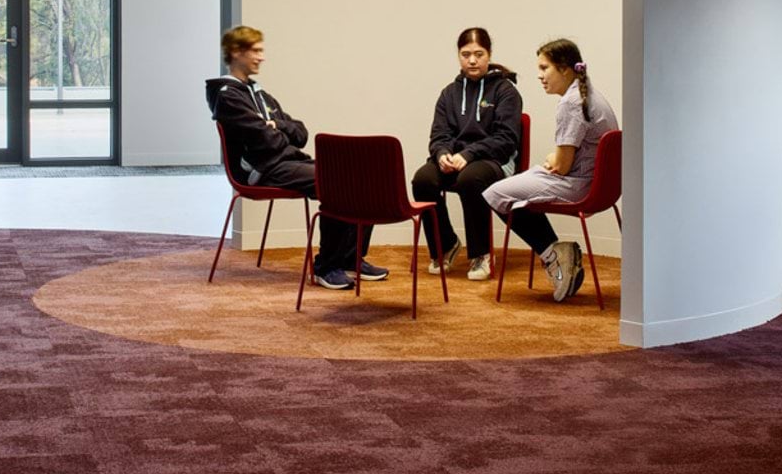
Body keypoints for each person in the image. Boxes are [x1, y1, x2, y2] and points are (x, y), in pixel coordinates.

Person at [204, 25, 387, 291]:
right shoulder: (227, 96)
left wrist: (274, 124)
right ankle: (326, 267)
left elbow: (300, 132)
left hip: (286, 161)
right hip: (260, 169)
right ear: (236, 53)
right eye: (255, 50)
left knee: (359, 176)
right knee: (335, 182)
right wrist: (276, 129)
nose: (261, 56)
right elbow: (265, 142)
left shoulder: (260, 94)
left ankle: (351, 258)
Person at [483, 38, 618, 302]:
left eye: (545, 68)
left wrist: (552, 159)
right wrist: (552, 160)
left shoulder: (571, 103)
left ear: (565, 69)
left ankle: (553, 253)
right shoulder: (589, 93)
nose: (539, 75)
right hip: (597, 183)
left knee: (495, 194)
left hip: (579, 184)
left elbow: (562, 165)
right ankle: (556, 253)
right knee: (522, 182)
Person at [411, 27, 523, 281]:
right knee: (423, 180)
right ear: (459, 56)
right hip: (456, 160)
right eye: (466, 54)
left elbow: (506, 140)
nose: (472, 60)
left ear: (489, 55)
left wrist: (470, 154)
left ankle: (481, 253)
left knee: (470, 180)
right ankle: (446, 245)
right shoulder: (449, 93)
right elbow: (439, 135)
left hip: (492, 161)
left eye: (478, 54)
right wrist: (442, 154)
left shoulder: (505, 91)